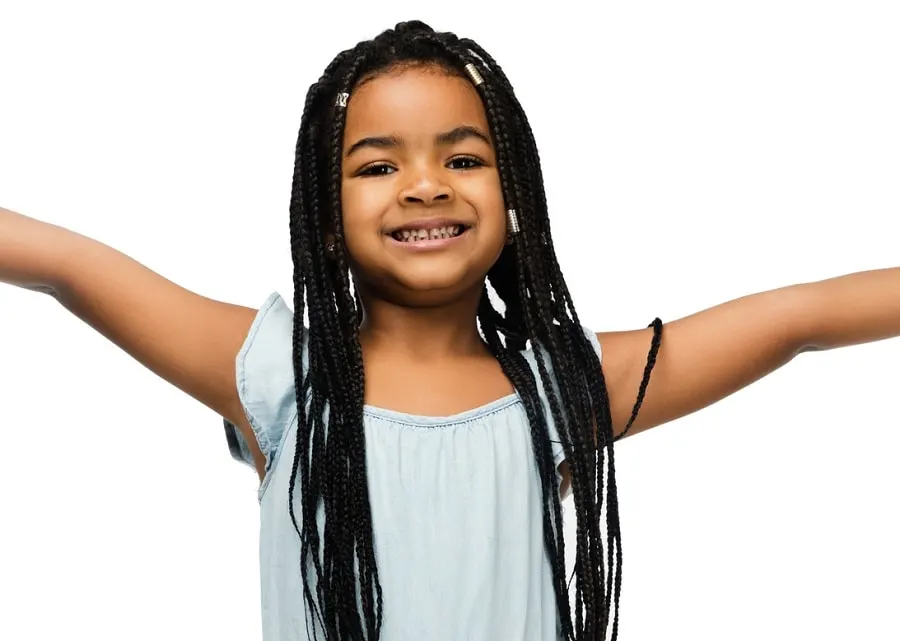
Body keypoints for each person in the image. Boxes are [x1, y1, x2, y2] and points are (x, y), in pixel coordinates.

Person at [1, 20, 897, 641]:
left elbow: (798, 319)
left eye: (463, 158)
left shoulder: (560, 388)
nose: (426, 186)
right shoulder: (277, 375)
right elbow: (66, 266)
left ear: (517, 206)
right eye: (378, 163)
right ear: (322, 215)